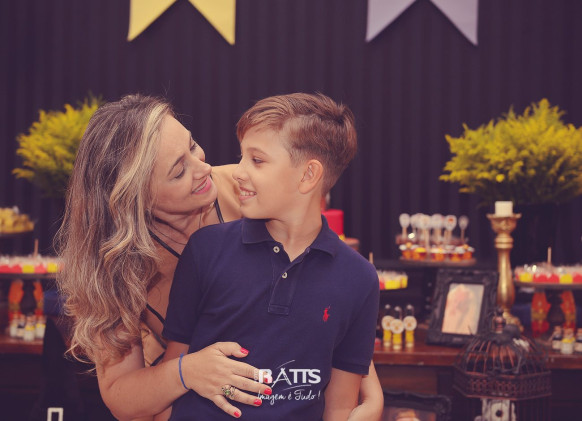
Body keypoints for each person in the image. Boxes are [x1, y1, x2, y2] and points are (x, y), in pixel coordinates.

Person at [56, 94, 383, 420]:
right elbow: (123, 397)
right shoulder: (113, 263)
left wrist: (368, 394)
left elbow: (325, 310)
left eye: (193, 146)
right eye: (179, 171)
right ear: (135, 198)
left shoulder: (250, 190)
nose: (204, 168)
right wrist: (185, 372)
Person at [162, 93, 381, 420]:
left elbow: (339, 406)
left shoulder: (359, 279)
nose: (238, 172)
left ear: (308, 175)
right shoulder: (205, 249)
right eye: (241, 157)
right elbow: (172, 376)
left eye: (257, 160)